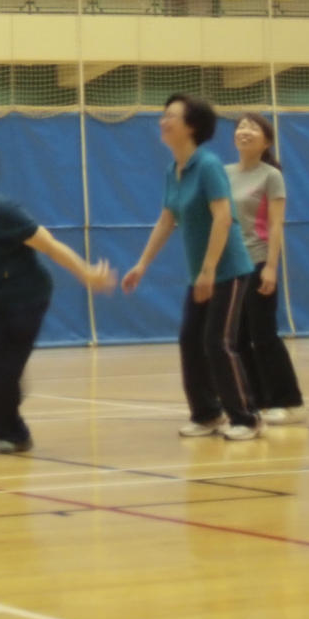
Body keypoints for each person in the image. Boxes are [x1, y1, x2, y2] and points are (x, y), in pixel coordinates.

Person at [0, 142, 115, 454]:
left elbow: (48, 245)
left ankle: (15, 435)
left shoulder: (2, 213)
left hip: (21, 301)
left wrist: (86, 272)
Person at [122, 94, 261, 441]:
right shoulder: (174, 170)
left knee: (218, 342)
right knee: (190, 341)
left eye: (171, 116)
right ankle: (207, 414)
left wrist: (209, 269)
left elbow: (223, 218)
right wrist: (141, 264)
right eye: (163, 115)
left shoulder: (208, 165)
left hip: (227, 270)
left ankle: (246, 418)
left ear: (192, 126)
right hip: (201, 274)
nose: (163, 121)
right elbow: (167, 220)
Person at [229, 113, 306, 424]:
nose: (244, 131)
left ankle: (289, 401)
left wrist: (271, 267)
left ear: (267, 141)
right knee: (237, 338)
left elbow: (275, 225)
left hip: (259, 260)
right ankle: (258, 399)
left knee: (263, 334)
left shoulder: (271, 176)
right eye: (241, 127)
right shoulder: (224, 174)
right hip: (232, 266)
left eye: (253, 128)